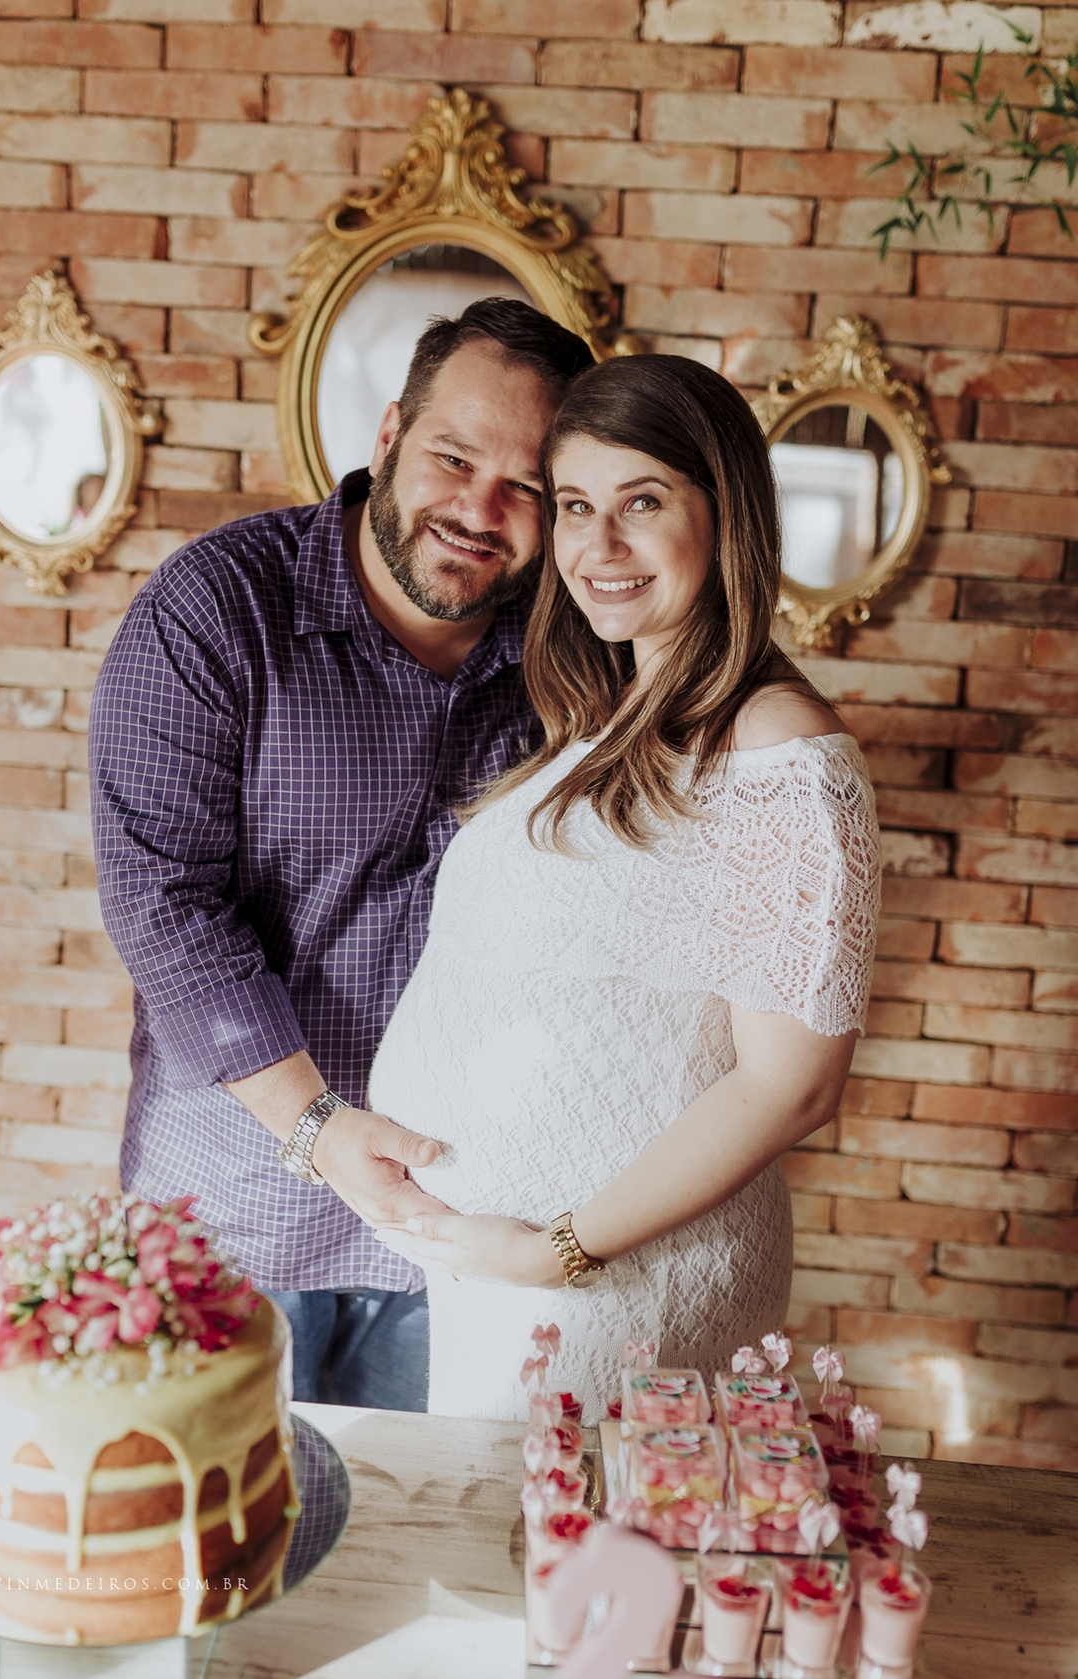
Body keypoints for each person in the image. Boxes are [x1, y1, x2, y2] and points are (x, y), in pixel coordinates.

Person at [89, 300, 595, 1410]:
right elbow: (160, 900)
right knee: (210, 1544)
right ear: (387, 439)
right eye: (454, 458)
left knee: (414, 1560)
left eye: (527, 489)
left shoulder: (578, 653)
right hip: (234, 1208)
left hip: (458, 1225)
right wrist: (317, 1128)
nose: (480, 510)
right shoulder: (215, 609)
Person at [370, 353, 882, 1420]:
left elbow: (792, 1083)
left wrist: (557, 1246)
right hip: (509, 1275)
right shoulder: (608, 713)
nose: (596, 546)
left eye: (641, 502)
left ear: (726, 513)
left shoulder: (780, 748)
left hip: (613, 1285)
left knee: (571, 1578)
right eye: (574, 505)